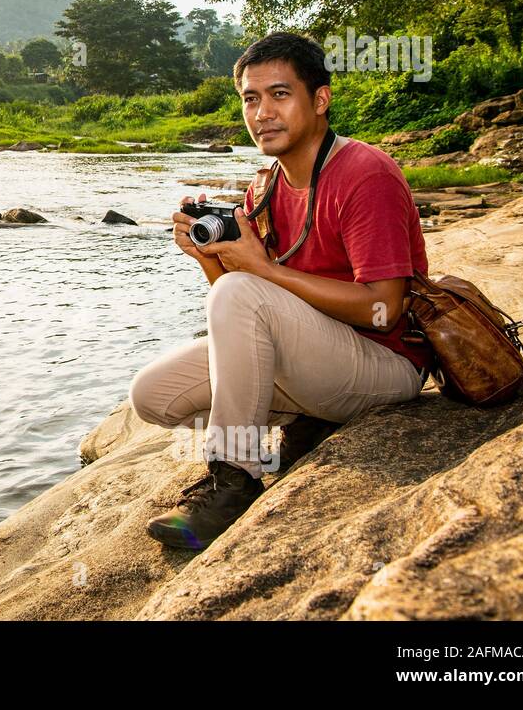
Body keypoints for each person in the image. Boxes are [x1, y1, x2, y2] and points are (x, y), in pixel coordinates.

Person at [130, 31, 435, 550]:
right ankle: (310, 416)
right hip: (313, 358)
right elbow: (239, 303)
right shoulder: (265, 185)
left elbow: (385, 310)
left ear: (320, 99)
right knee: (152, 396)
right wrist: (211, 258)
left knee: (242, 295)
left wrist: (263, 273)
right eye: (251, 98)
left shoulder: (365, 174)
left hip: (386, 364)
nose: (262, 112)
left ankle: (235, 479)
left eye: (279, 94)